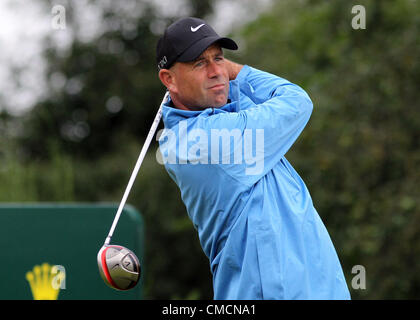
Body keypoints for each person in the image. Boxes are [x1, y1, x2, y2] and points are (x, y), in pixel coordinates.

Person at [156, 17, 351, 300]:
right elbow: (295, 101)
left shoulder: (225, 116)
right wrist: (237, 72)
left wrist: (222, 73)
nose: (215, 71)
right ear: (168, 79)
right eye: (199, 63)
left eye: (219, 58)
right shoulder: (197, 144)